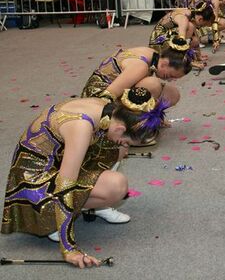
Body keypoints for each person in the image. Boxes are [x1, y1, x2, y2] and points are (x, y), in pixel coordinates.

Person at [2, 87, 168, 268]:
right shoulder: (81, 127)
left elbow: (106, 142)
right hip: (33, 185)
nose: (127, 146)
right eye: (127, 140)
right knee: (116, 186)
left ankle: (88, 206)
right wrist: (69, 249)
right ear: (121, 128)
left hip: (54, 164)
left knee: (116, 148)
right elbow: (64, 186)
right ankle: (52, 222)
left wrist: (120, 146)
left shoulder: (108, 110)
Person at [81, 39, 192, 118]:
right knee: (152, 84)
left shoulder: (152, 54)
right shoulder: (140, 67)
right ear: (165, 63)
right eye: (170, 76)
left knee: (172, 94)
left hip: (112, 95)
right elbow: (107, 97)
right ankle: (134, 127)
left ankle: (145, 121)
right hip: (96, 99)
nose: (169, 80)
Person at [149, 0, 216, 56]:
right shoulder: (184, 20)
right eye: (203, 25)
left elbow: (196, 39)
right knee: (190, 28)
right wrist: (189, 62)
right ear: (200, 19)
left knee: (195, 39)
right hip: (157, 43)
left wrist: (199, 56)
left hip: (163, 38)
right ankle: (176, 59)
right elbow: (181, 42)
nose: (202, 27)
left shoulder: (191, 13)